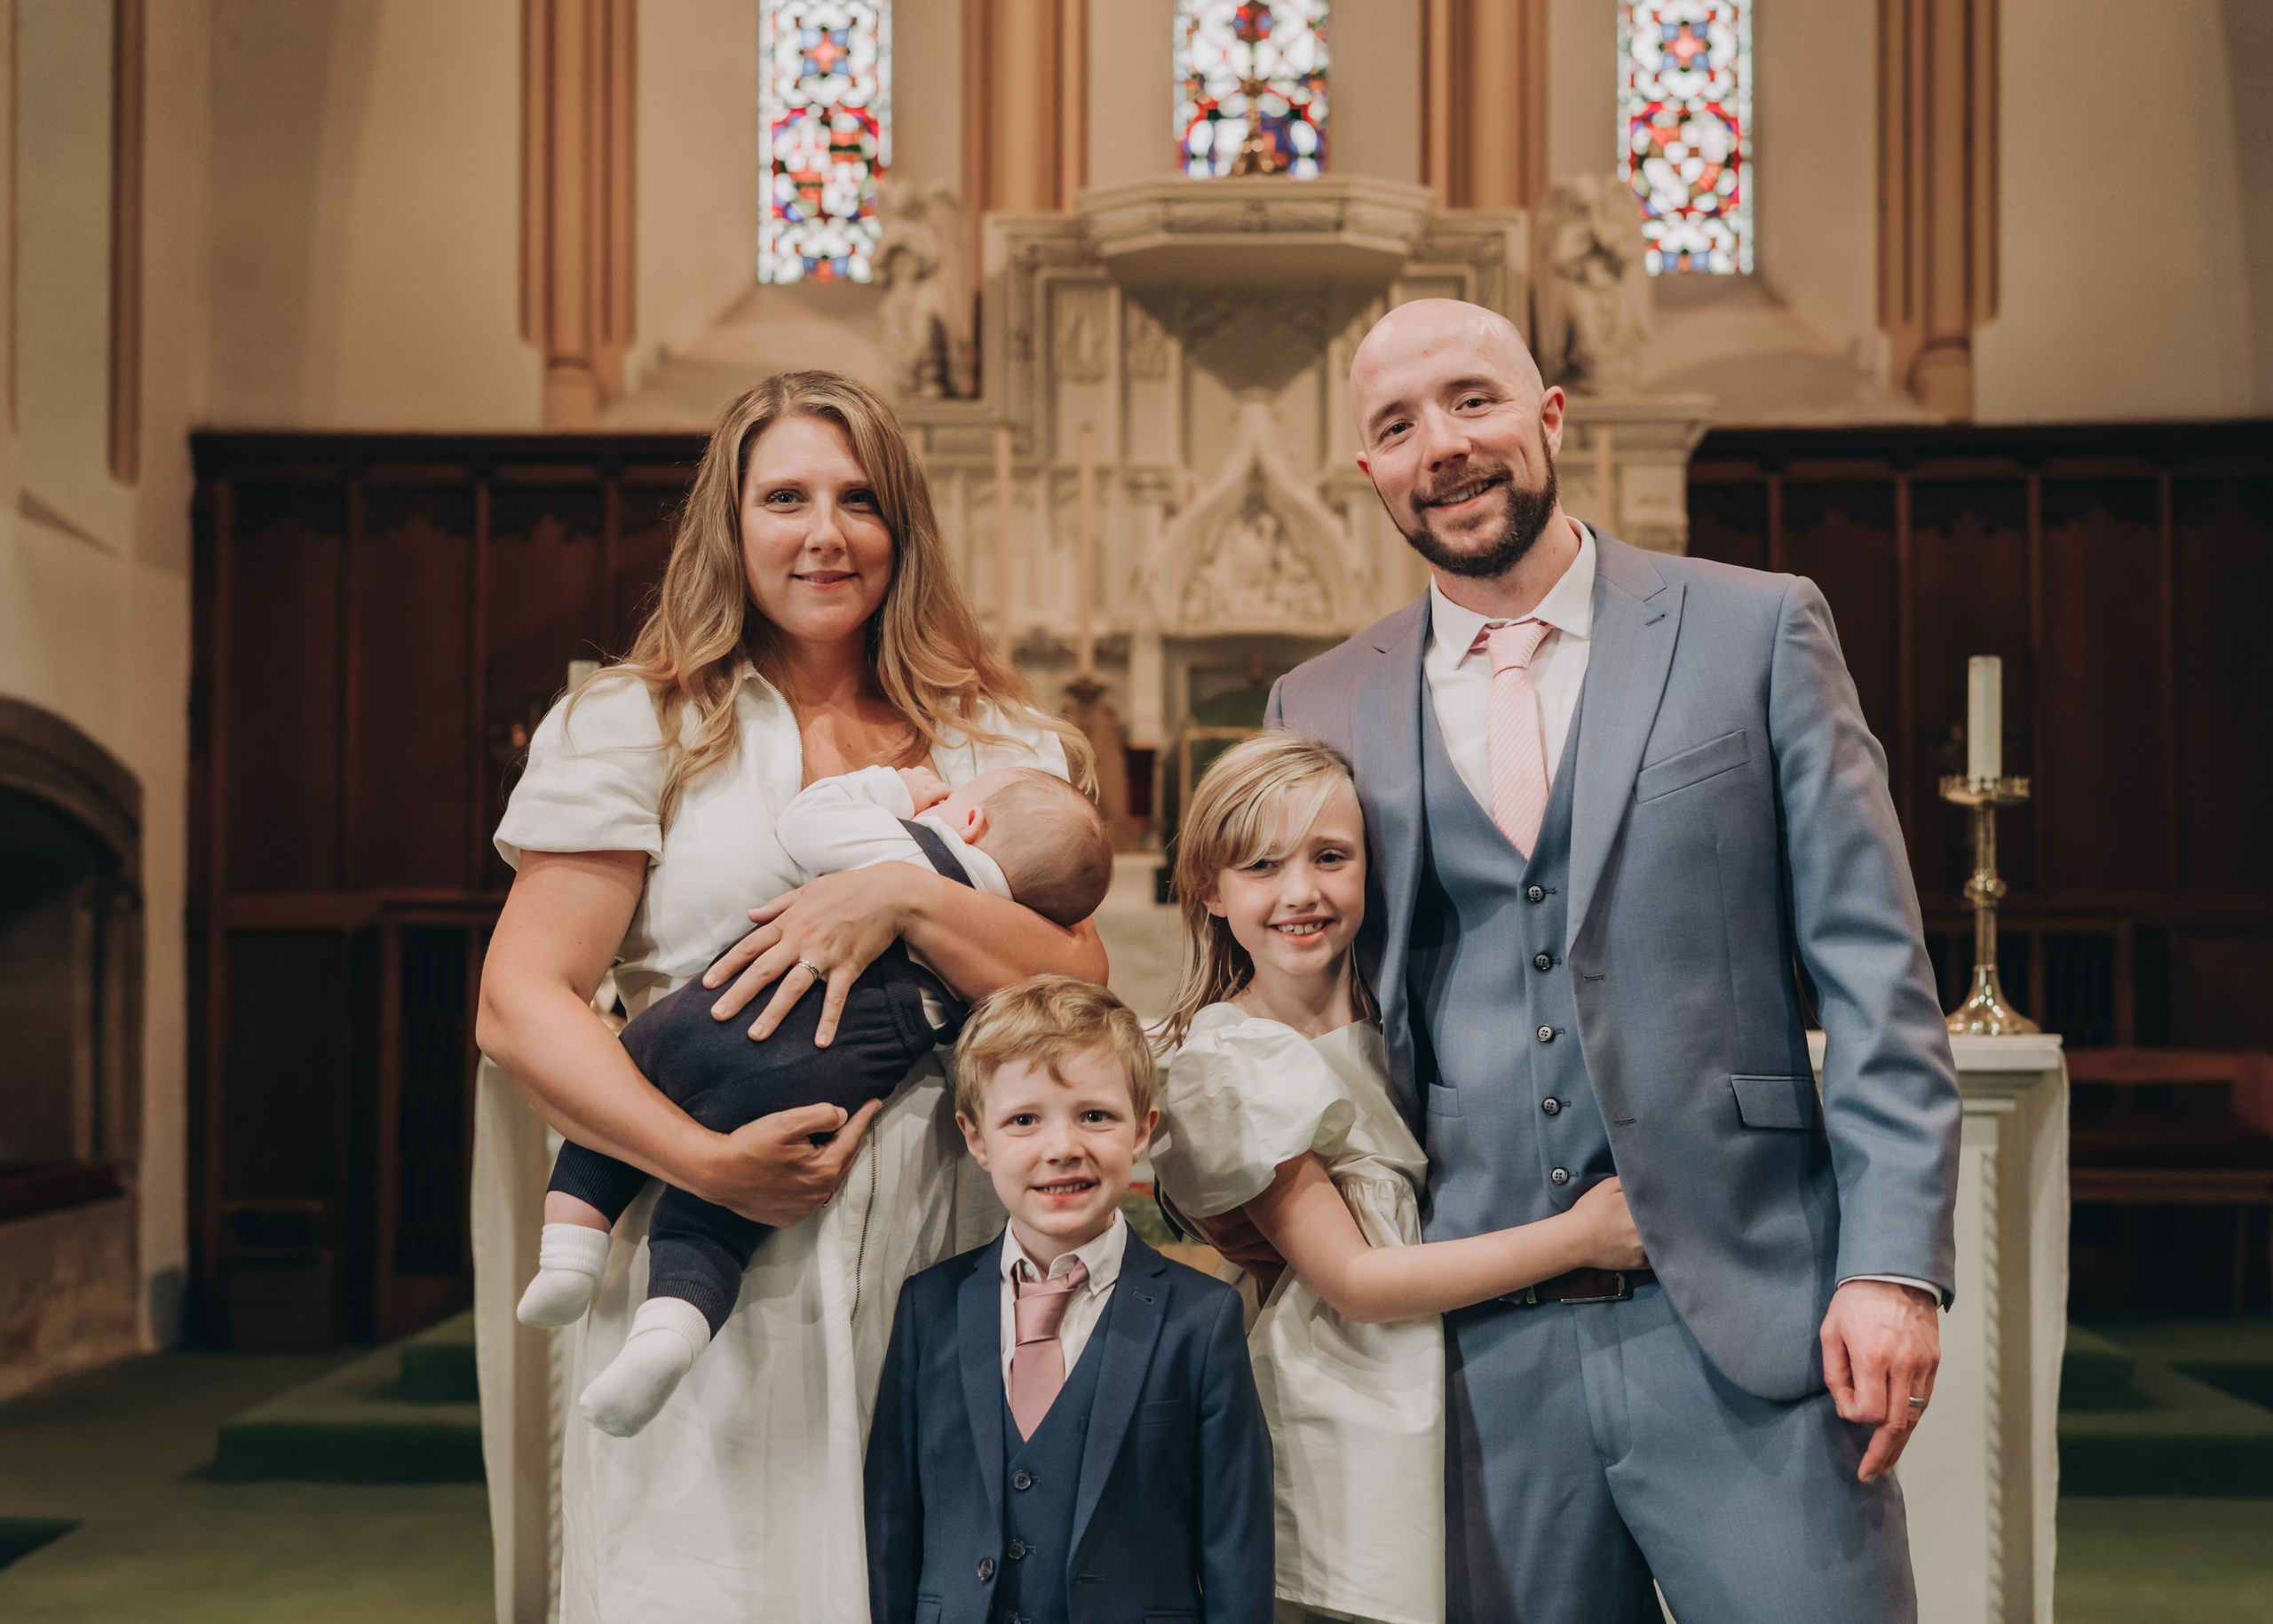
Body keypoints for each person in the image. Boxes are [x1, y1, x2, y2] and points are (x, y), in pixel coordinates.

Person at [1251, 299, 1962, 1624]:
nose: (1442, 447)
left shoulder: (1753, 629)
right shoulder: (1323, 700)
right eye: (1397, 427)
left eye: (1473, 401)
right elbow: (1300, 1001)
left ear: (1549, 417)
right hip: (1472, 1351)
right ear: (1369, 474)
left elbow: (1875, 968)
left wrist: (1891, 1265)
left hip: (1755, 1315)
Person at [474, 370, 1108, 1623]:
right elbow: (520, 1002)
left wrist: (909, 902)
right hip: (706, 1234)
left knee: (946, 1570)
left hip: (953, 1229)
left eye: (860, 500)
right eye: (788, 498)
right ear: (730, 521)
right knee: (721, 1578)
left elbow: (1077, 988)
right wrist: (708, 1163)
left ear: (904, 529)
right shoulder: (634, 722)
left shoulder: (1003, 743)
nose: (826, 531)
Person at [1149, 732, 1647, 1624]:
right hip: (1343, 1406)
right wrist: (1581, 1236)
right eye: (1261, 864)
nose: (1300, 890)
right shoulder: (1236, 1058)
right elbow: (1356, 1282)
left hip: (1459, 1396)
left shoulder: (1403, 1017)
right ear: (1208, 892)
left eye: (1329, 856)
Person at [517, 762, 1113, 1438]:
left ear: (970, 821)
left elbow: (809, 819)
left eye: (957, 798)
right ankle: (667, 1337)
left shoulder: (910, 845)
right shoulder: (1008, 921)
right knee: (710, 1226)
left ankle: (569, 1255)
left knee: (621, 1092)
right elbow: (1075, 980)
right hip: (827, 1084)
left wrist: (897, 792)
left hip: (722, 1025)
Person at [863, 976, 1276, 1624]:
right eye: (1024, 1119)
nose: (1062, 1147)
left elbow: (1235, 1542)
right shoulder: (928, 1308)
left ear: (1142, 1129)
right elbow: (893, 1520)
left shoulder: (1202, 1317)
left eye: (1095, 1115)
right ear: (976, 1138)